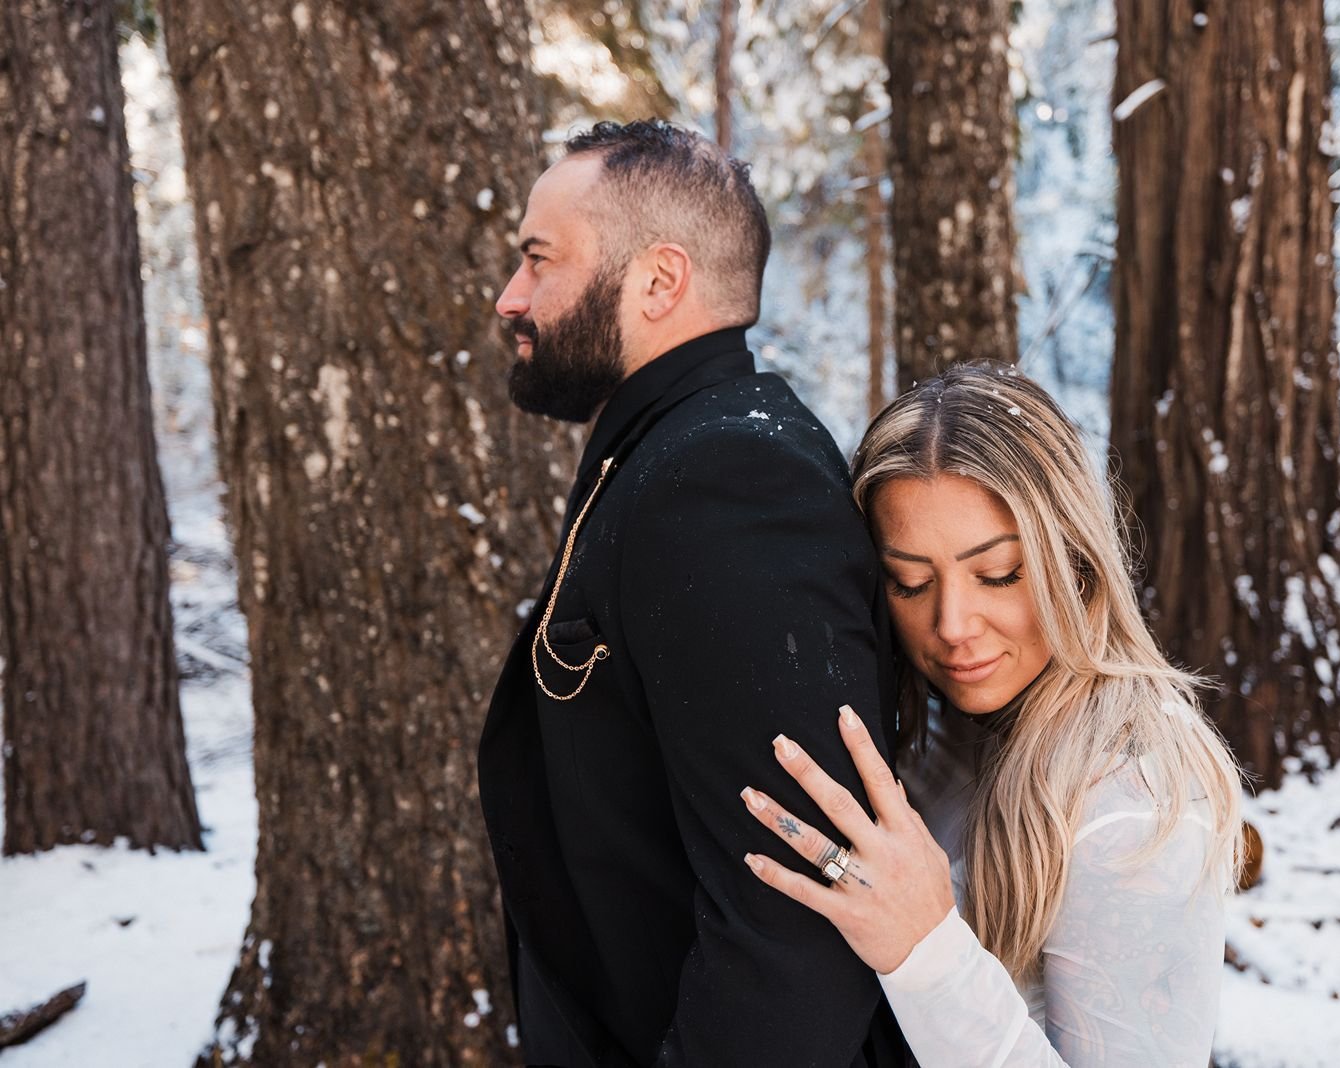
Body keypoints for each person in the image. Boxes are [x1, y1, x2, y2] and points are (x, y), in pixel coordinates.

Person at [476, 120, 907, 1067]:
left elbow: (794, 921)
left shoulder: (729, 476)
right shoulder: (671, 451)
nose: (512, 298)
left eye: (539, 261)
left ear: (659, 281)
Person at [741, 363, 1245, 1066]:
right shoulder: (945, 720)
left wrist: (927, 952)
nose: (952, 625)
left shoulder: (1131, 804)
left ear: (1075, 561)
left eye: (998, 574)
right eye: (910, 582)